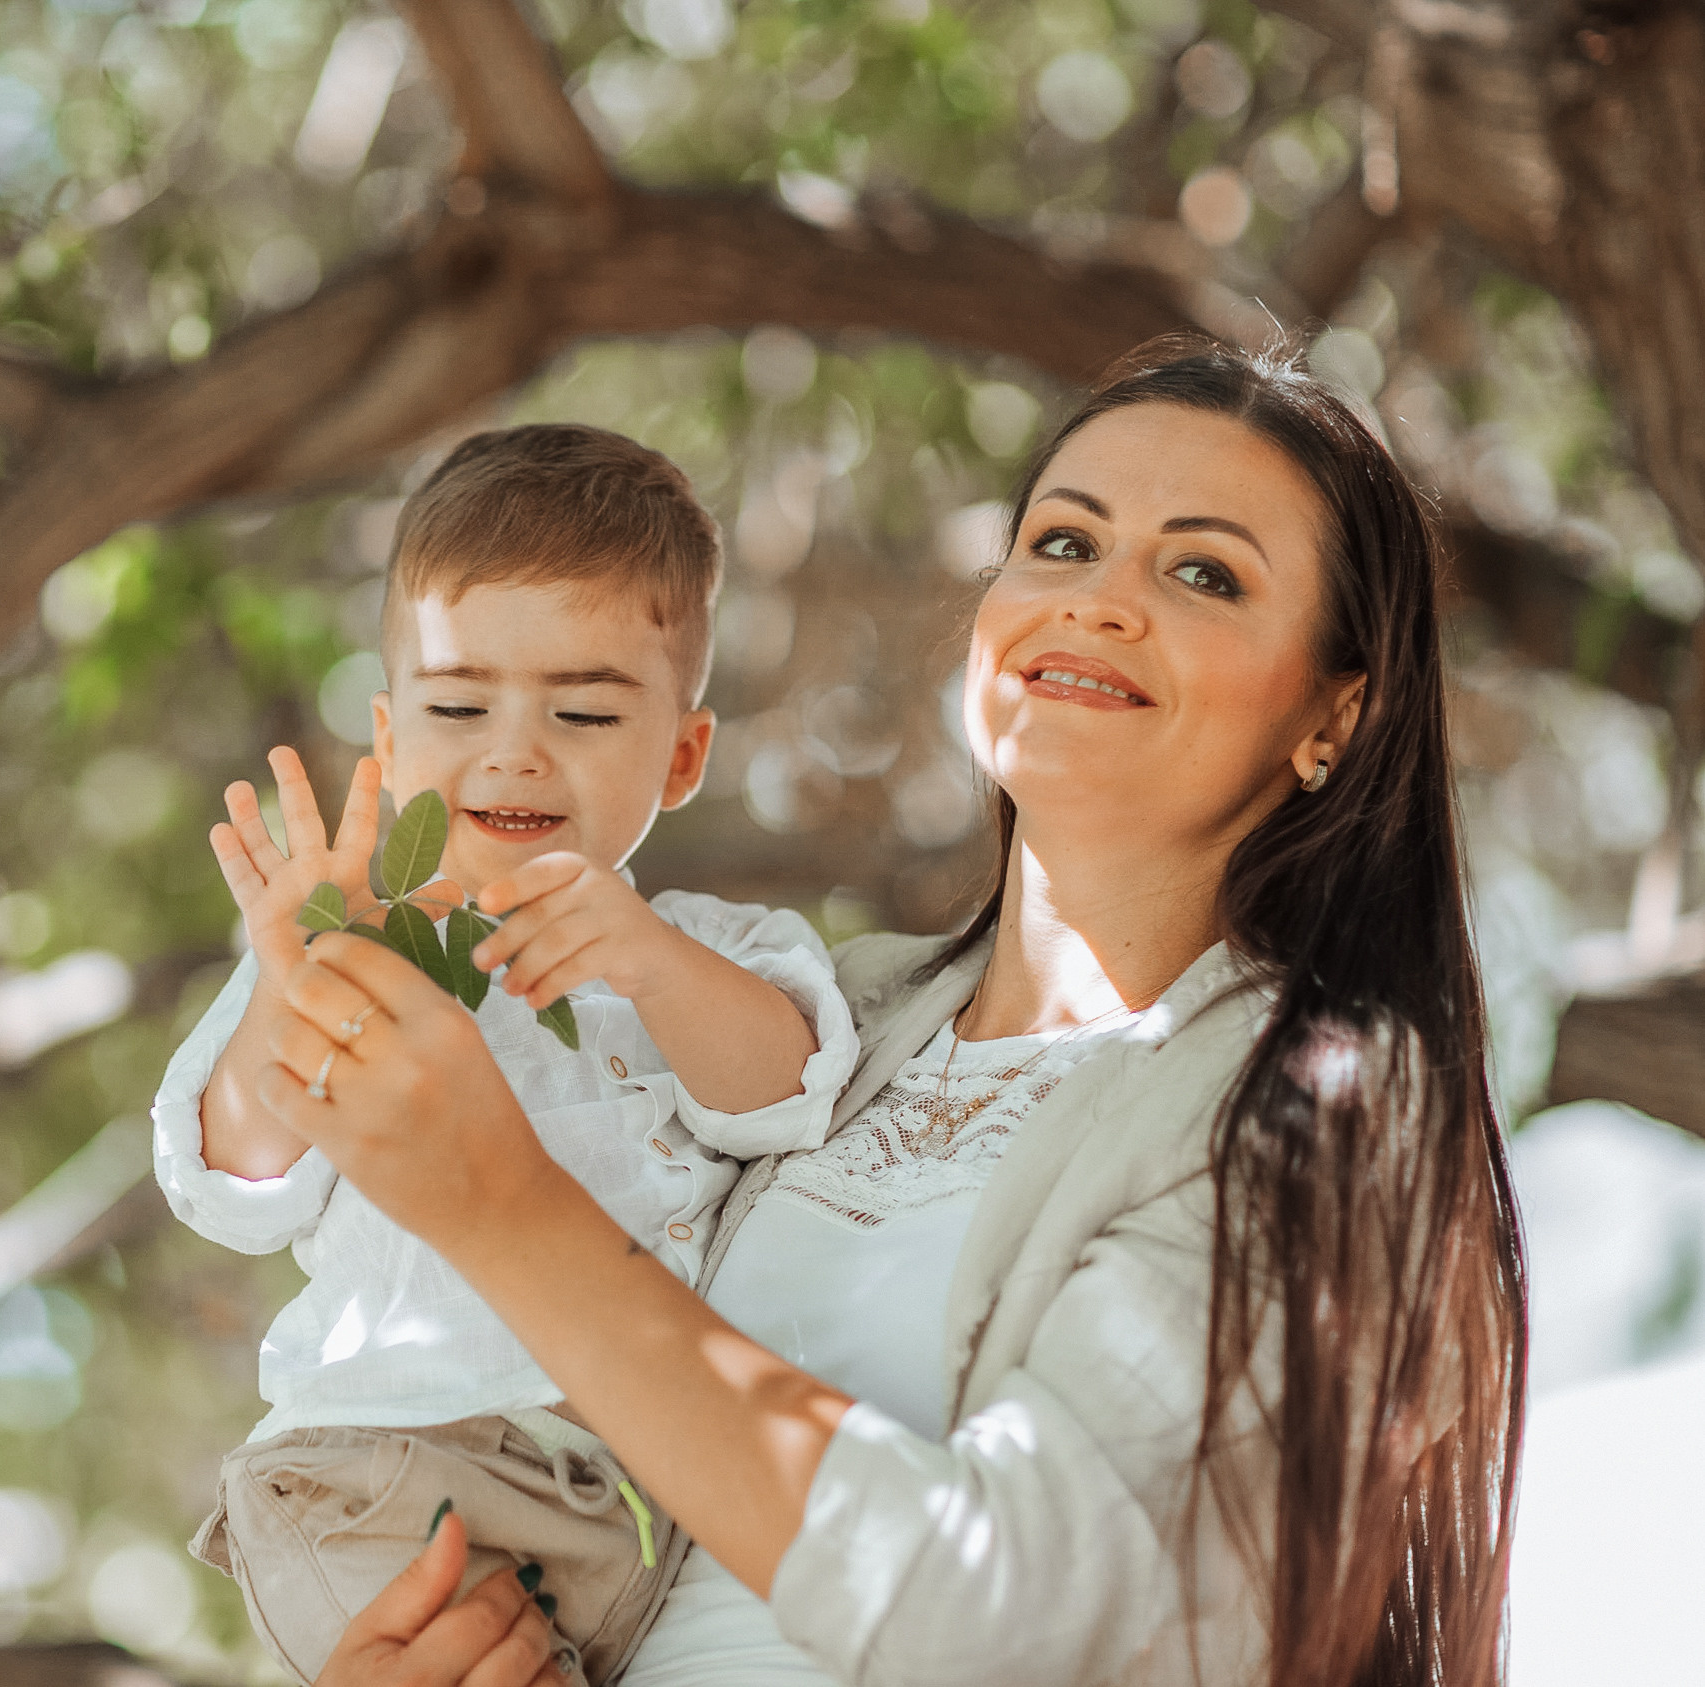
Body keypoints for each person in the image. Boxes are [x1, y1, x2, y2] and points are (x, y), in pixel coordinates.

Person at [244, 342, 1528, 1686]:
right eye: (1061, 541)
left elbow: (1012, 1610)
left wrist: (501, 1204)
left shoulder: (1319, 1093)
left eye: (1200, 569)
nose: (1099, 600)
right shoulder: (817, 1020)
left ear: (1336, 709)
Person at [154, 425, 864, 1681]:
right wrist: (297, 981)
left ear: (683, 754)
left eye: (584, 709)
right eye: (459, 702)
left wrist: (642, 956)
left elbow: (789, 1097)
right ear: (387, 735)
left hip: (633, 1496)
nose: (515, 747)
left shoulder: (710, 948)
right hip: (385, 1465)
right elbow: (232, 1181)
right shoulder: (348, 946)